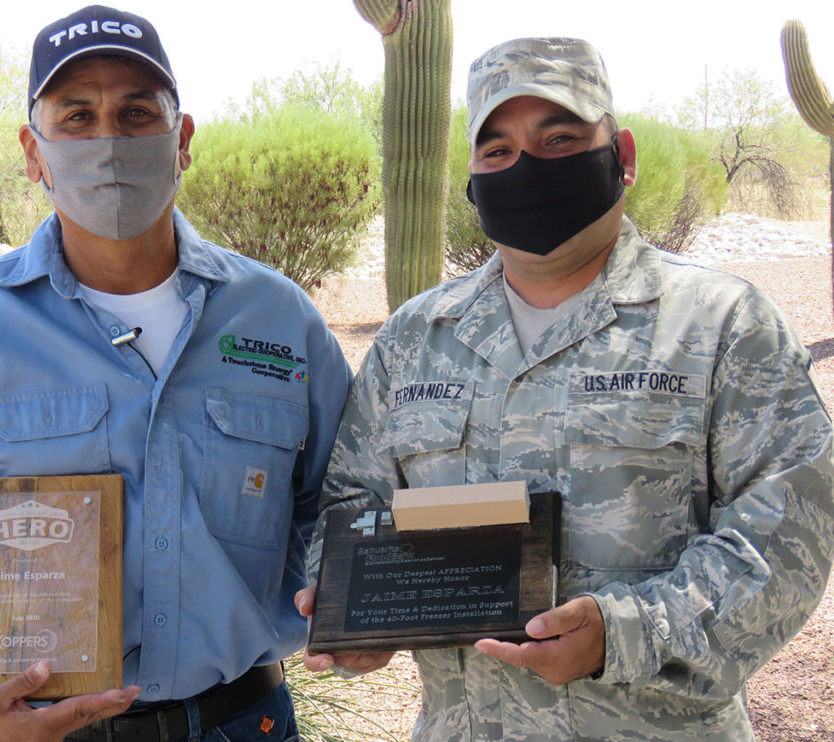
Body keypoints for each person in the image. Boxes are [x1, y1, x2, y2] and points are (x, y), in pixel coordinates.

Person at [296, 36, 834, 739]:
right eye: (498, 151)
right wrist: (349, 608)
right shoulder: (414, 339)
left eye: (559, 138)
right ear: (472, 178)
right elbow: (352, 498)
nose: (526, 166)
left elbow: (788, 536)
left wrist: (624, 634)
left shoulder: (724, 324)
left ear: (624, 156)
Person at [0, 5, 352, 741]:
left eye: (136, 112)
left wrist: (337, 598)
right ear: (34, 152)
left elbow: (335, 499)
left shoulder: (279, 320)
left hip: (244, 721)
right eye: (77, 116)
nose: (109, 141)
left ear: (181, 141)